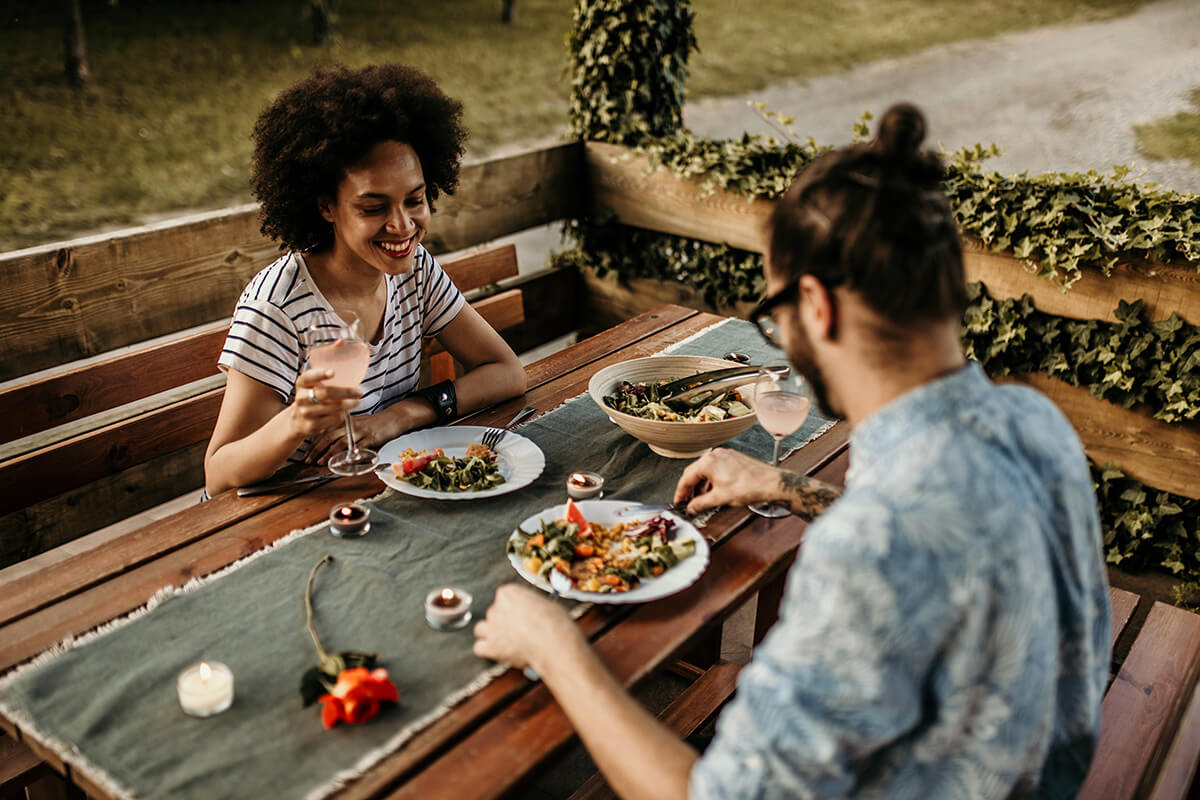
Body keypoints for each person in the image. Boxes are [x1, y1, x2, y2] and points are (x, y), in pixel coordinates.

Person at [473, 104, 1111, 798]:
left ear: (816, 304)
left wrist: (558, 652)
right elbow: (937, 541)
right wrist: (789, 490)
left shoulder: (872, 544)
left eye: (776, 310)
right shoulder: (1031, 422)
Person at [204, 64, 525, 495]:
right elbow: (219, 475)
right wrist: (296, 421)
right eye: (373, 208)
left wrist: (399, 417)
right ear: (326, 207)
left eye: (414, 200)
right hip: (282, 512)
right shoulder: (277, 308)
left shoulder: (416, 271)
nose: (402, 226)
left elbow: (507, 373)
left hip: (375, 490)